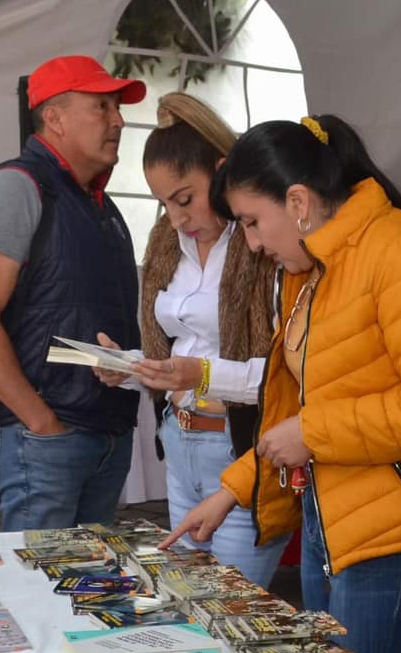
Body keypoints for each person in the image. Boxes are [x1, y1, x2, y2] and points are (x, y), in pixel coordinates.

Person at [166, 116, 401, 653]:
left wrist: (316, 434)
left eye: (254, 223)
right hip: (327, 523)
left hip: (396, 540)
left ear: (299, 201)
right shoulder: (310, 270)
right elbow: (303, 410)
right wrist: (233, 492)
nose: (255, 244)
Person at [0, 55, 146, 529]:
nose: (118, 120)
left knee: (83, 595)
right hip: (42, 441)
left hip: (98, 437)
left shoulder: (99, 204)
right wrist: (41, 423)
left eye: (116, 108)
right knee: (40, 593)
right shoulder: (15, 188)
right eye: (101, 107)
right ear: (54, 118)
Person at [97, 94, 282, 585]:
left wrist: (197, 375)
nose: (176, 218)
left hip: (239, 447)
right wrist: (131, 368)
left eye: (184, 199)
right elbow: (177, 358)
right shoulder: (166, 243)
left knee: (233, 602)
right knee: (188, 602)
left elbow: (289, 374)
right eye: (164, 204)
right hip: (179, 442)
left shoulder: (264, 243)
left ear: (222, 175)